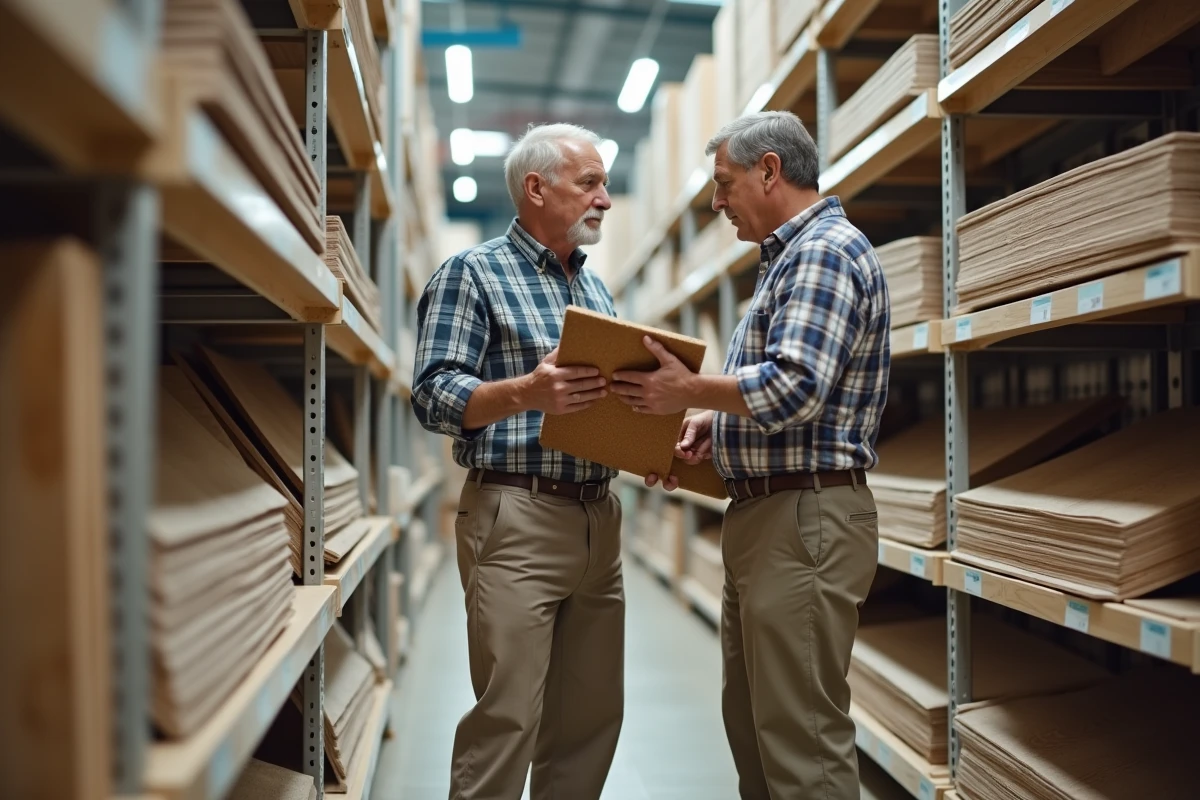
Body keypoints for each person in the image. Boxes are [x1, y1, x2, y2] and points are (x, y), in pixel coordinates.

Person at [611, 110, 891, 800]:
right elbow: (781, 391)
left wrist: (689, 388)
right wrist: (715, 420)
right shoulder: (785, 262)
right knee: (756, 731)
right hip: (773, 516)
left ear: (770, 171)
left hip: (806, 518)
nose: (715, 203)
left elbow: (796, 386)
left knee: (801, 743)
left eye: (724, 182)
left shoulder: (823, 252)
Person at [410, 123, 623, 800]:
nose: (605, 200)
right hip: (517, 516)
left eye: (605, 185)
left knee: (589, 720)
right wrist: (526, 392)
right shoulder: (472, 275)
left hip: (599, 519)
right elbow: (433, 394)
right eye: (590, 183)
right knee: (508, 718)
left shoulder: (596, 292)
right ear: (537, 188)